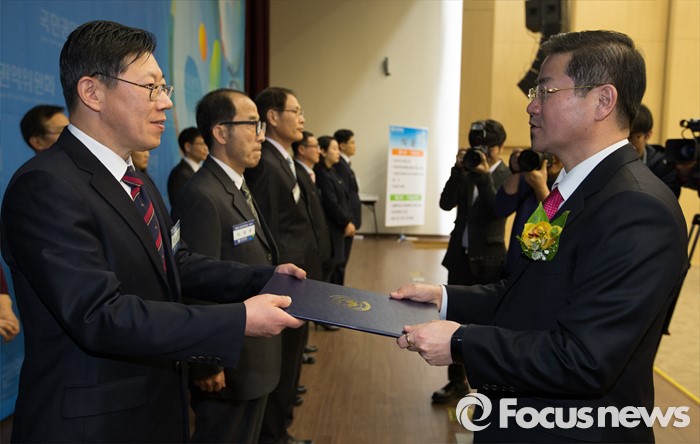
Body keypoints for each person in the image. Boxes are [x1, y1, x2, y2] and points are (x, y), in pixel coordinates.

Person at [0, 20, 305, 443]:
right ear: (92, 92)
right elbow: (100, 314)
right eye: (151, 88)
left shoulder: (136, 180)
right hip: (94, 426)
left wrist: (264, 278)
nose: (166, 102)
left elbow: (175, 263)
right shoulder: (46, 186)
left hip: (154, 407)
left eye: (165, 88)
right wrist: (239, 318)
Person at [392, 30, 687, 442]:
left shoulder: (637, 208)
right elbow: (524, 289)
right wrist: (445, 298)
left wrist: (462, 342)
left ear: (603, 100)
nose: (531, 106)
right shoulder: (565, 191)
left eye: (545, 92)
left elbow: (585, 358)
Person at [171, 88, 280, 444]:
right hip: (230, 362)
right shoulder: (201, 195)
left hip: (250, 357)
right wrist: (207, 362)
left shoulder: (235, 184)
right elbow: (194, 279)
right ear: (220, 132)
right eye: (253, 125)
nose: (261, 135)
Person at [245, 86, 318, 444]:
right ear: (272, 117)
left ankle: (281, 428)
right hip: (286, 284)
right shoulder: (266, 165)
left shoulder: (284, 160)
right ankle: (275, 435)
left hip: (299, 279)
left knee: (290, 362)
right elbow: (269, 231)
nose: (302, 118)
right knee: (281, 363)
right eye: (296, 111)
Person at [433, 120, 510, 404]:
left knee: (484, 326)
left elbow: (496, 210)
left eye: (488, 147)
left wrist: (483, 175)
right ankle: (457, 382)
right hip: (459, 257)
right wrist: (457, 171)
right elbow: (445, 203)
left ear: (499, 148)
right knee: (453, 320)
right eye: (478, 146)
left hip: (489, 260)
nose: (482, 151)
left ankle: (486, 386)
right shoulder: (466, 169)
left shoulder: (506, 175)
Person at [495, 149, 563, 276]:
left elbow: (557, 225)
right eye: (545, 152)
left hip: (545, 272)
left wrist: (540, 187)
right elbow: (501, 209)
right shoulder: (527, 178)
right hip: (515, 267)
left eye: (555, 150)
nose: (550, 158)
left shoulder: (568, 183)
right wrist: (516, 170)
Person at [314, 135, 355, 283]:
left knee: (339, 267)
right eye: (334, 149)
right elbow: (331, 203)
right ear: (323, 151)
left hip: (340, 227)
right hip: (333, 227)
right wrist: (346, 222)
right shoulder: (321, 174)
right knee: (333, 269)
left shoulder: (332, 171)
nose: (338, 152)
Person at [628, 104, 681, 197]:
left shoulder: (664, 167)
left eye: (633, 137)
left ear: (648, 135)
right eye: (623, 137)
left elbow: (668, 200)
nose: (626, 142)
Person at [332, 129, 361, 285]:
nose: (355, 145)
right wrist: (347, 221)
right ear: (342, 145)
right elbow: (343, 198)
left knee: (343, 261)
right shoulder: (340, 166)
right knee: (340, 263)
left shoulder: (345, 164)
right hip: (345, 222)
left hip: (349, 220)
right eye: (352, 142)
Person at [168, 126, 209, 204]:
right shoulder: (179, 174)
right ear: (188, 147)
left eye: (206, 144)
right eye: (201, 144)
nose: (206, 148)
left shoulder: (203, 170)